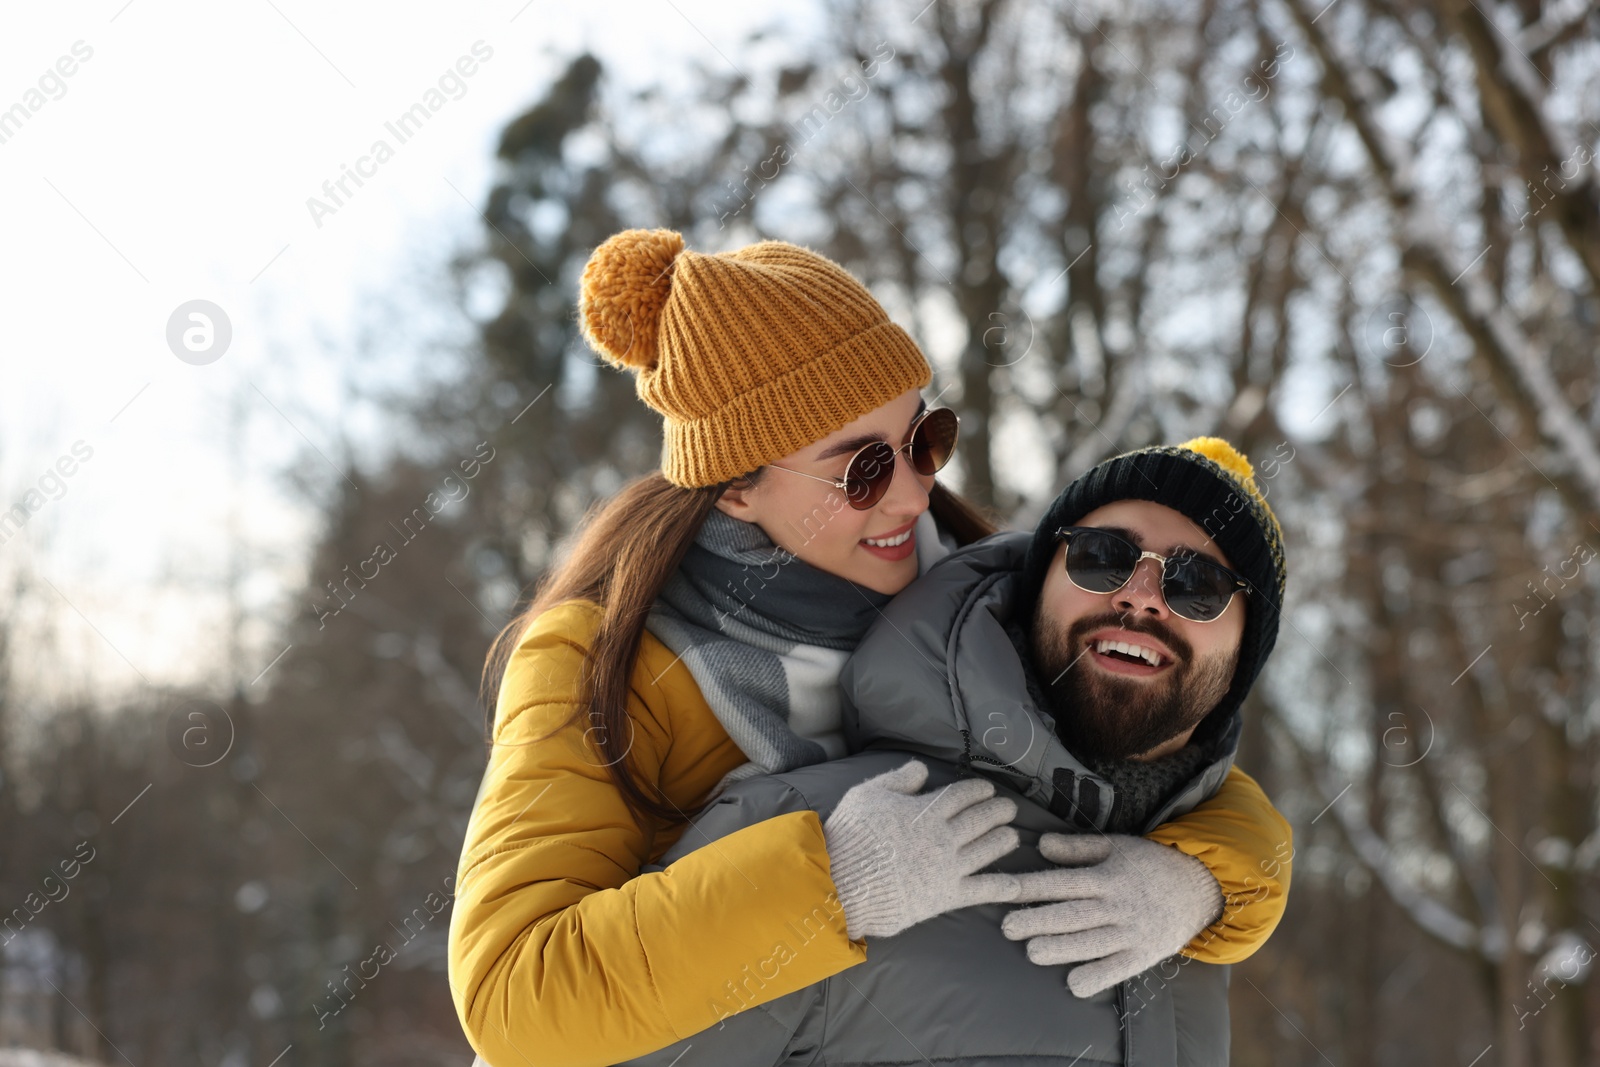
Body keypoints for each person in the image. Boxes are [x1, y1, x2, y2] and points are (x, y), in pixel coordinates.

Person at [445, 229, 1290, 1067]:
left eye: (925, 442)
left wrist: (1205, 883)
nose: (915, 494)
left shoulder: (972, 600)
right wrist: (830, 884)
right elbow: (514, 994)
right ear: (738, 486)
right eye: (861, 472)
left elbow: (1172, 757)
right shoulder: (608, 661)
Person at [617, 437, 1291, 1067]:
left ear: (1242, 656)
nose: (1140, 596)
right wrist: (821, 893)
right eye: (1101, 556)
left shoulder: (1195, 911)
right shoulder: (812, 834)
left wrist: (1208, 888)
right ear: (1037, 588)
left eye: (1198, 585)